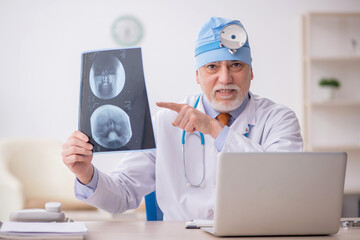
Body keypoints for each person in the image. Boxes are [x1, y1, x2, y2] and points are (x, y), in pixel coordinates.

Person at [62, 17, 303, 221]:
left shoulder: (279, 119)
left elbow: (284, 187)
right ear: (197, 76)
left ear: (251, 72)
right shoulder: (165, 121)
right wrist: (86, 174)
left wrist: (213, 128)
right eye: (212, 67)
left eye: (236, 65)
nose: (225, 78)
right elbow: (123, 195)